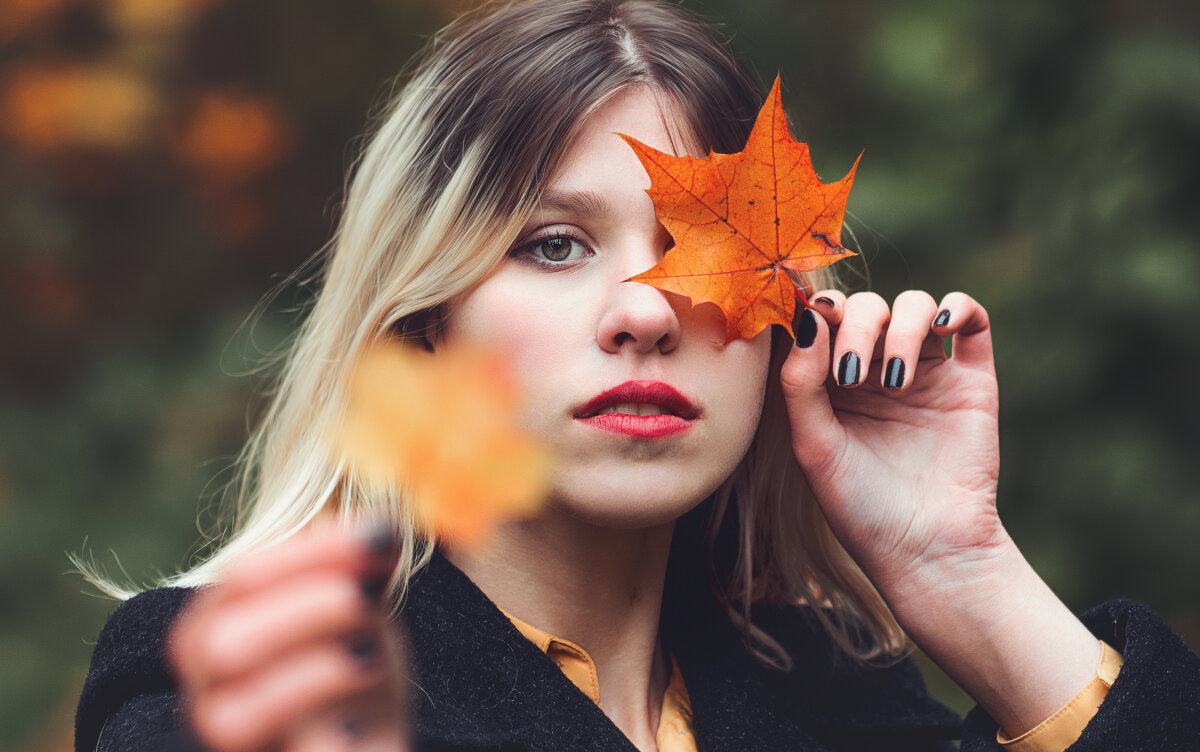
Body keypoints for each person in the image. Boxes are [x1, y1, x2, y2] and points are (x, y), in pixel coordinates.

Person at [74, 1, 1200, 751]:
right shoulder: (246, 695)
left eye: (699, 250)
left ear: (784, 324)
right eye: (553, 243)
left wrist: (959, 566)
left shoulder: (837, 698)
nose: (646, 311)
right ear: (425, 321)